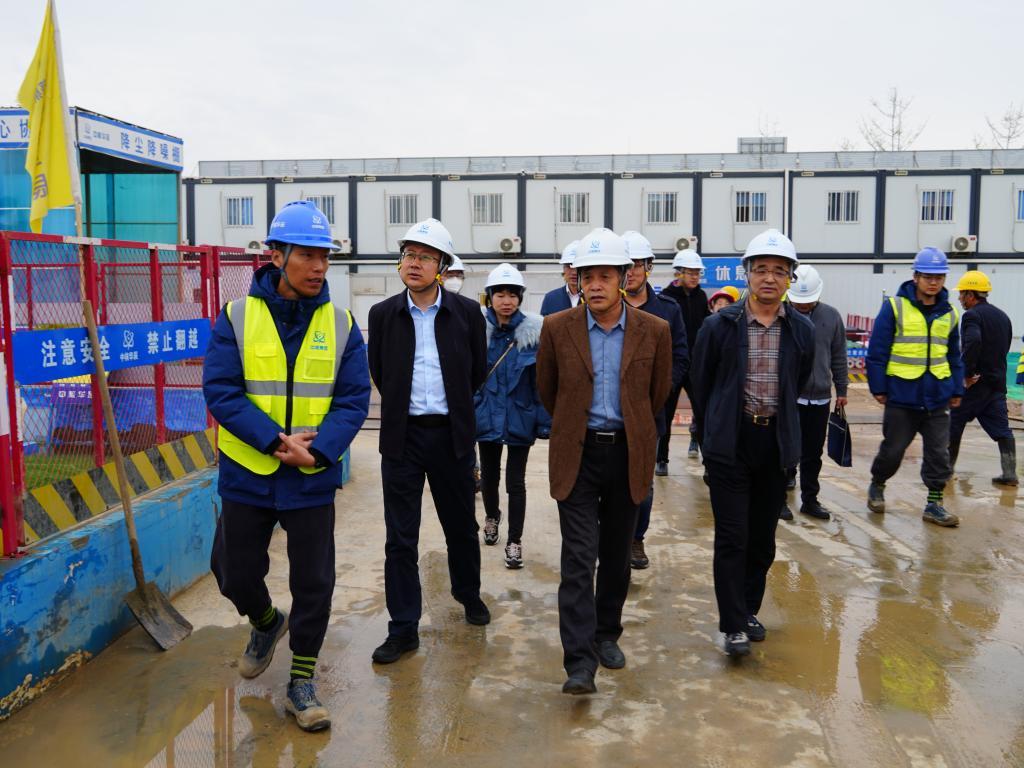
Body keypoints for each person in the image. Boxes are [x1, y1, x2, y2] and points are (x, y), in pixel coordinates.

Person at [203, 200, 371, 732]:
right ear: (276, 256)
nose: (319, 267)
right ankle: (265, 621)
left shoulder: (341, 324)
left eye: (325, 257)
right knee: (233, 571)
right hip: (248, 470)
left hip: (311, 476)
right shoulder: (236, 317)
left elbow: (353, 400)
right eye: (307, 256)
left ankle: (302, 681)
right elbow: (221, 390)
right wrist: (274, 442)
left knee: (314, 581)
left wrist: (318, 453)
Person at [536, 228, 672, 694]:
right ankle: (579, 662)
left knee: (615, 555)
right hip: (578, 453)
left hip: (628, 454)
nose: (594, 285)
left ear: (624, 278)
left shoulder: (655, 330)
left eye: (605, 276)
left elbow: (656, 393)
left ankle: (606, 633)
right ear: (577, 280)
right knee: (578, 558)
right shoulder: (557, 328)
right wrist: (576, 423)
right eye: (587, 276)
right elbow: (549, 391)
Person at [366, 218, 490, 666]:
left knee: (461, 526)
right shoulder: (382, 315)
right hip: (402, 439)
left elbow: (476, 371)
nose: (413, 263)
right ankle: (403, 627)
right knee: (400, 537)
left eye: (424, 257)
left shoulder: (467, 313)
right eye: (408, 255)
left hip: (451, 436)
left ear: (442, 266)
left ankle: (468, 593)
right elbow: (380, 372)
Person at [690, 229, 814, 658]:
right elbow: (702, 385)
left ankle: (747, 610)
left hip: (775, 444)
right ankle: (732, 625)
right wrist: (712, 434)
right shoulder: (719, 326)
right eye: (761, 269)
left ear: (790, 278)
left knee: (762, 539)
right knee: (732, 537)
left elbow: (798, 381)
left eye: (779, 271)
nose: (769, 278)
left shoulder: (801, 330)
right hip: (731, 443)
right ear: (747, 274)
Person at [865, 247, 964, 527]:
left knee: (939, 454)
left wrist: (957, 389)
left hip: (938, 396)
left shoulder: (950, 313)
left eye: (939, 277)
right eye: (928, 277)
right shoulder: (895, 307)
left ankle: (934, 504)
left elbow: (954, 355)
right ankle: (878, 483)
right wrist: (879, 388)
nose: (933, 282)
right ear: (916, 277)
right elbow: (877, 352)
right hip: (902, 396)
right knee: (893, 451)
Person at [621, 231, 689, 570]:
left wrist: (659, 391)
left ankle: (636, 538)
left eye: (638, 265)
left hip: (650, 412)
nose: (631, 272)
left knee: (643, 485)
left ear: (648, 267)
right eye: (625, 266)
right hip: (610, 414)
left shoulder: (667, 311)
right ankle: (611, 539)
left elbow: (680, 357)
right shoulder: (605, 308)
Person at [475, 263, 548, 569]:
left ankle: (514, 541)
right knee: (490, 477)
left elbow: (541, 382)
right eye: (500, 294)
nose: (506, 301)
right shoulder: (477, 331)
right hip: (487, 415)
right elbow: (468, 376)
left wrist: (543, 421)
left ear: (520, 298)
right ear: (489, 297)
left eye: (512, 295)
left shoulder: (533, 333)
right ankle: (492, 517)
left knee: (515, 482)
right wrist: (474, 407)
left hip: (520, 416)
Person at [779, 265, 849, 521]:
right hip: (790, 396)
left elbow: (838, 355)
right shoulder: (781, 315)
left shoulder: (831, 317)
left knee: (813, 453)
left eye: (807, 302)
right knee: (785, 450)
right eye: (798, 302)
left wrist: (842, 389)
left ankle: (810, 500)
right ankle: (779, 500)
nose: (803, 306)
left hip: (820, 398)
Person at [948, 270, 1017, 486]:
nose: (959, 298)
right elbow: (1005, 347)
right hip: (996, 384)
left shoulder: (972, 316)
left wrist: (966, 375)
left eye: (961, 294)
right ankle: (1009, 474)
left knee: (954, 423)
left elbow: (973, 342)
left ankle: (945, 471)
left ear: (971, 295)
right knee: (1002, 430)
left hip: (975, 384)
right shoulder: (1003, 316)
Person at [658, 248, 710, 468]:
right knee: (666, 413)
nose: (695, 277)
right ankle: (661, 459)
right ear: (678, 273)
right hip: (674, 364)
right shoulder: (666, 299)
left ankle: (708, 459)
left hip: (695, 366)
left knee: (702, 411)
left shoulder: (701, 297)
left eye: (697, 273)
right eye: (691, 272)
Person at [540, 241, 581, 315]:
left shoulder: (593, 298)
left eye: (578, 267)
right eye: (569, 266)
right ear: (563, 269)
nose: (574, 272)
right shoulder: (551, 299)